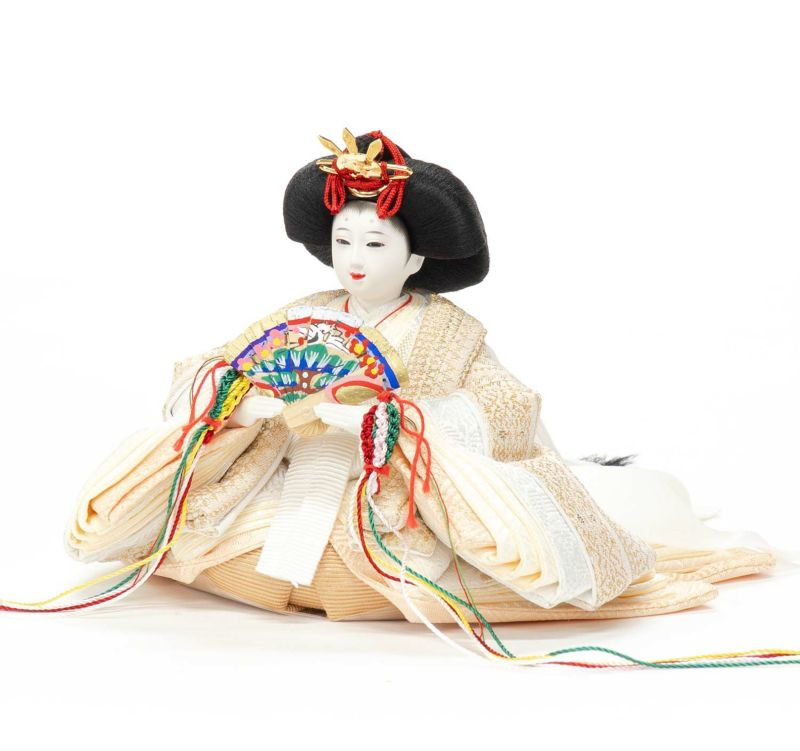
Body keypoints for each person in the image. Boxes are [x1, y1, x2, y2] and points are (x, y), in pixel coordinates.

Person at [66, 129, 776, 626]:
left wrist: (395, 421)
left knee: (429, 563)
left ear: (414, 260)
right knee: (182, 537)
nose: (354, 259)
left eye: (375, 243)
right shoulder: (303, 315)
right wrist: (240, 402)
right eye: (343, 240)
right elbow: (205, 367)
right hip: (282, 476)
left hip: (384, 485)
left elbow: (506, 407)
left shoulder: (449, 332)